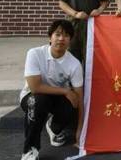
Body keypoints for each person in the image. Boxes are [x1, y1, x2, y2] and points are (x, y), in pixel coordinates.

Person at [20, 20, 84, 160]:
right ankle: (30, 150)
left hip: (56, 99)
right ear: (50, 37)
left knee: (72, 104)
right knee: (38, 102)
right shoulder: (35, 53)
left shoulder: (74, 64)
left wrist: (80, 131)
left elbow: (80, 98)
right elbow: (35, 87)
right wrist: (65, 91)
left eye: (66, 35)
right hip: (33, 96)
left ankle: (53, 127)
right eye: (58, 34)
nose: (61, 39)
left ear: (70, 40)